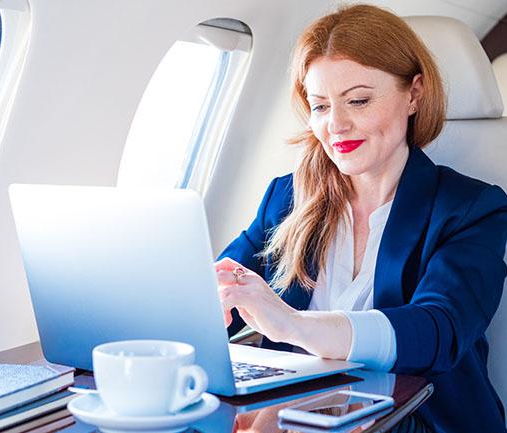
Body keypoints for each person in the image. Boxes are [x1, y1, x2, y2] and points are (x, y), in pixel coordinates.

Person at [215, 4, 507, 433]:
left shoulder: (472, 209)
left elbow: (437, 331)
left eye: (358, 100)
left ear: (414, 94)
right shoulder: (286, 198)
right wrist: (209, 304)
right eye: (319, 106)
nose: (336, 125)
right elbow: (226, 290)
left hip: (420, 421)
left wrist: (294, 325)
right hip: (294, 416)